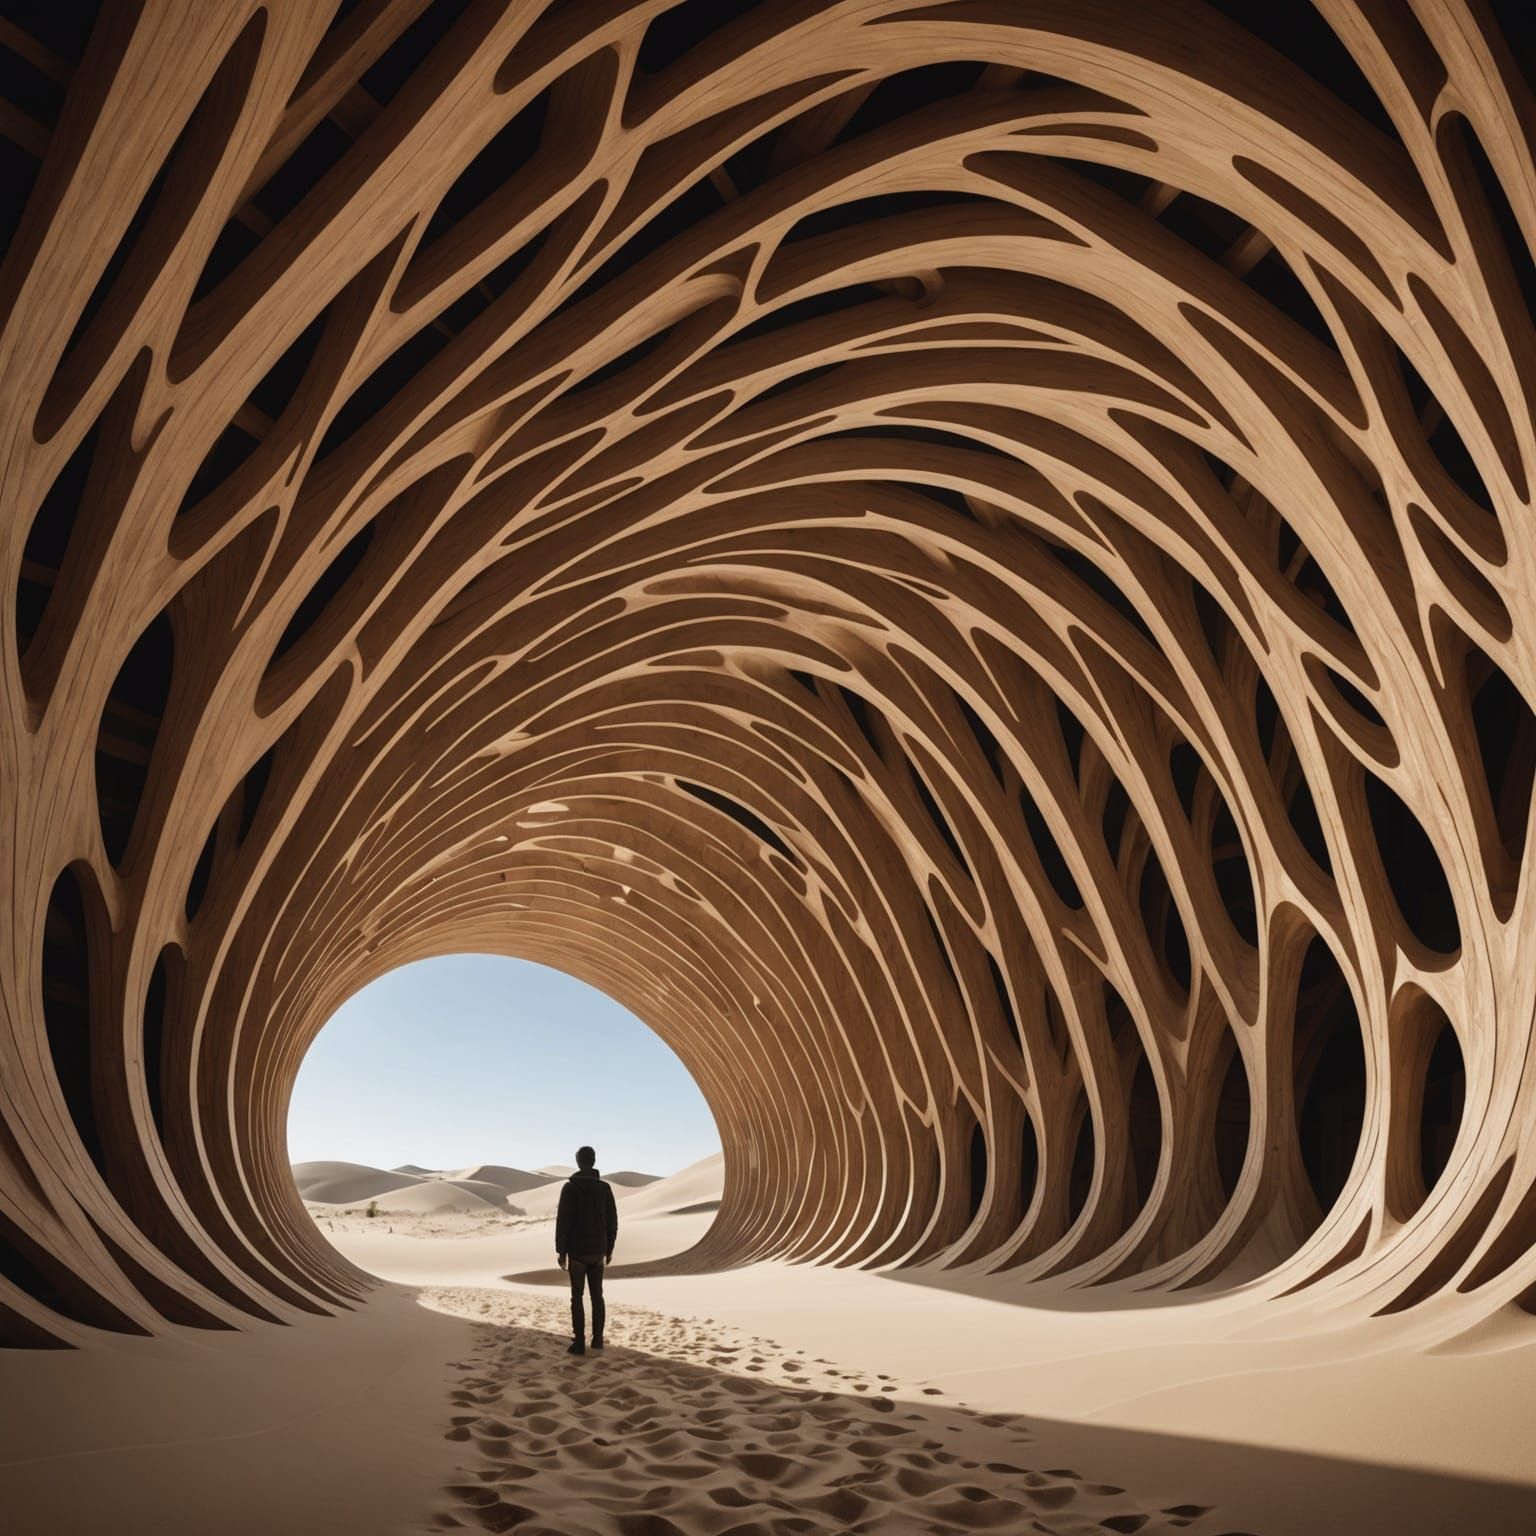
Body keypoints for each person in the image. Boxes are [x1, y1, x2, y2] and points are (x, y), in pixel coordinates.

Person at [555, 1146, 618, 1355]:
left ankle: (579, 1342)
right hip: (598, 1251)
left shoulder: (570, 1188)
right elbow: (612, 1222)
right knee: (597, 1296)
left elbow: (563, 1222)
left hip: (578, 1252)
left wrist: (561, 1251)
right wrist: (609, 1248)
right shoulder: (604, 1188)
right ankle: (598, 1339)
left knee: (577, 1296)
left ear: (578, 1161)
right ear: (594, 1160)